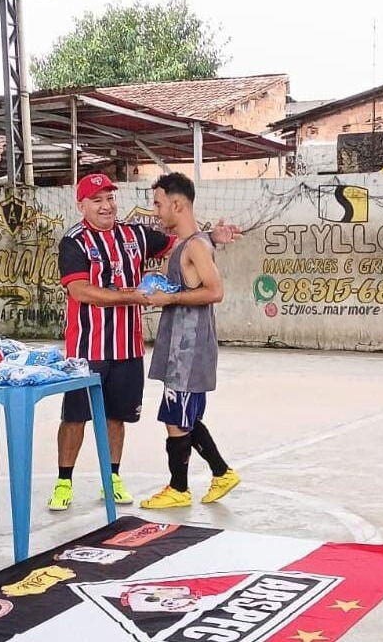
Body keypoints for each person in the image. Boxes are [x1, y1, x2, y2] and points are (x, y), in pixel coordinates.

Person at [49, 172, 239, 511]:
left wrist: (213, 236)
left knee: (118, 416)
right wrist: (134, 297)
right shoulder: (74, 242)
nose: (106, 206)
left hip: (128, 347)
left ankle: (114, 478)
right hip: (87, 347)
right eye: (97, 200)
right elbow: (79, 291)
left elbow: (184, 242)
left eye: (110, 198)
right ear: (82, 206)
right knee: (76, 415)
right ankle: (65, 481)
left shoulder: (134, 235)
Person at [140, 172, 240, 509]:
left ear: (177, 203)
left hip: (188, 348)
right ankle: (219, 472)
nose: (155, 211)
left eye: (158, 203)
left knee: (176, 419)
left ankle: (180, 488)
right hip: (181, 347)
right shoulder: (193, 242)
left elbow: (215, 291)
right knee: (182, 416)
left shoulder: (195, 245)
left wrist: (169, 299)